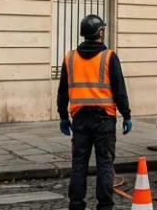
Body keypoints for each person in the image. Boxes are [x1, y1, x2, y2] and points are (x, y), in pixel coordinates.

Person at [58, 14, 131, 210]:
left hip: (80, 119)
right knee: (105, 164)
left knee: (79, 164)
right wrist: (127, 115)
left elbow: (62, 91)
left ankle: (76, 204)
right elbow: (119, 89)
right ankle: (105, 206)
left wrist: (63, 118)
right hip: (103, 120)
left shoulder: (70, 57)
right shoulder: (109, 57)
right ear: (100, 32)